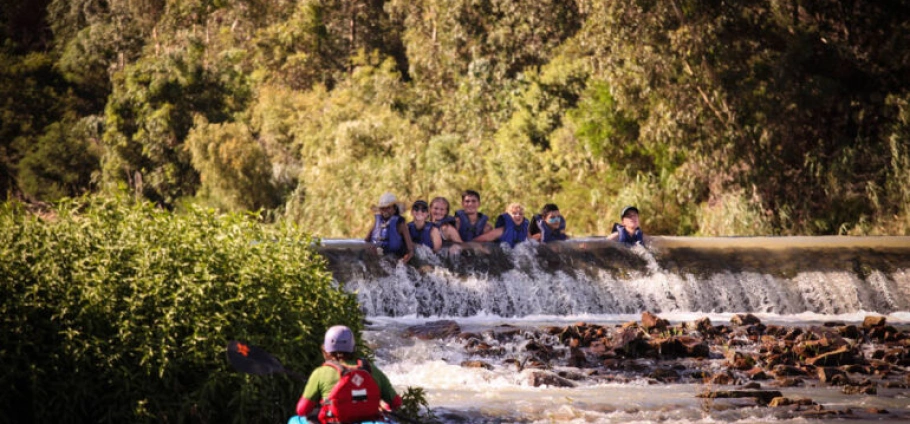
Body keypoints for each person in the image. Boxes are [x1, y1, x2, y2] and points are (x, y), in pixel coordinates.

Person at [290, 326, 402, 424]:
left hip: (334, 421)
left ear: (326, 349)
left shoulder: (320, 372)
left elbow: (302, 410)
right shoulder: (371, 369)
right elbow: (396, 402)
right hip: (369, 420)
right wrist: (380, 405)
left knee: (295, 420)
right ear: (353, 347)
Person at [365, 193, 414, 263]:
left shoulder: (401, 224)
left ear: (394, 209)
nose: (385, 211)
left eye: (388, 208)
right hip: (383, 257)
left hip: (398, 257)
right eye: (382, 208)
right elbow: (367, 239)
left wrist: (404, 261)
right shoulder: (377, 223)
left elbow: (410, 249)